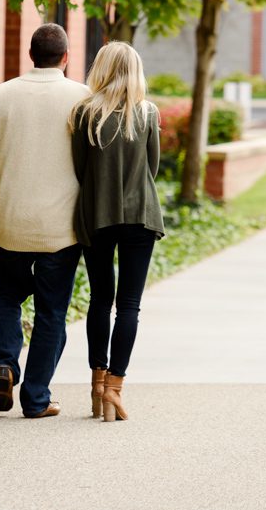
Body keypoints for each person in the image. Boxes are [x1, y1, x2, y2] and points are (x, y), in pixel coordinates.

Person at [0, 23, 90, 418]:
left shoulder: (3, 95)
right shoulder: (82, 99)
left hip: (12, 221)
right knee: (51, 313)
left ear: (30, 55)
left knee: (6, 296)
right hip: (61, 227)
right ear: (66, 57)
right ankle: (36, 398)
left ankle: (5, 364)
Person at [68, 41, 165, 422]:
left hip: (97, 214)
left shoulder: (84, 114)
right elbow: (151, 168)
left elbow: (79, 168)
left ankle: (97, 383)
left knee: (99, 300)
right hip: (140, 215)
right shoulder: (148, 113)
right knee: (129, 306)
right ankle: (114, 388)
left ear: (102, 69)